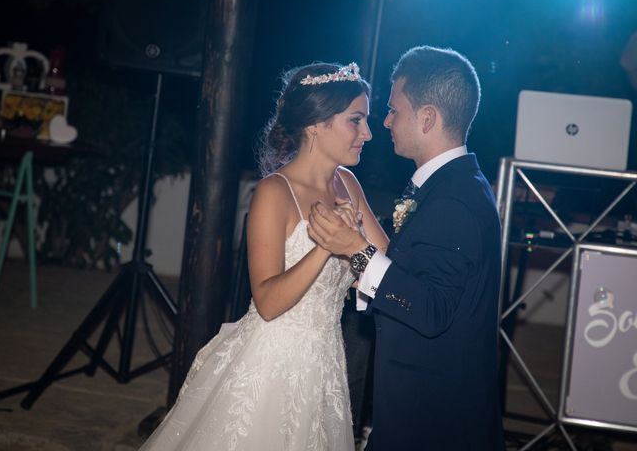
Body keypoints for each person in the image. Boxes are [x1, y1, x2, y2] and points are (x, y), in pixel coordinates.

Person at [138, 62, 389, 451]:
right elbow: (269, 303)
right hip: (271, 364)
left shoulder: (348, 184)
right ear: (315, 124)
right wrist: (327, 246)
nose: (368, 133)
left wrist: (353, 251)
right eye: (355, 120)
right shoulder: (274, 193)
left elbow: (380, 260)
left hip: (325, 361)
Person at [308, 46, 504, 450]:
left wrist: (356, 251)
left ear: (428, 117)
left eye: (395, 110)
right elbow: (412, 275)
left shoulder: (454, 200)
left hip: (433, 419)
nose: (386, 121)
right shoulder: (454, 185)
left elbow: (430, 310)